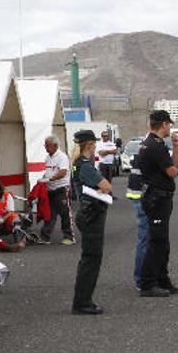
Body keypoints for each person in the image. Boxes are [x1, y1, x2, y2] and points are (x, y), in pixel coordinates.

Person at [136, 110, 178, 297]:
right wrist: (175, 169)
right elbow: (172, 170)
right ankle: (148, 283)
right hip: (157, 198)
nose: (169, 127)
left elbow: (172, 165)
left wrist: (176, 147)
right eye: (168, 124)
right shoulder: (155, 145)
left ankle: (163, 279)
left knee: (162, 242)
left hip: (158, 196)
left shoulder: (153, 144)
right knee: (157, 242)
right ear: (163, 124)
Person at [70, 130, 112, 314]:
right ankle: (82, 303)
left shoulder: (78, 163)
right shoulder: (85, 165)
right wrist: (104, 190)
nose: (96, 146)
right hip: (91, 215)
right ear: (89, 145)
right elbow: (106, 186)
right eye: (94, 143)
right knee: (91, 260)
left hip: (86, 213)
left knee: (89, 259)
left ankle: (83, 300)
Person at [40, 135, 75, 245]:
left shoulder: (62, 157)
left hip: (62, 189)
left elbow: (63, 172)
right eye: (45, 145)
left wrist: (49, 178)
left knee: (65, 213)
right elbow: (47, 172)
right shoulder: (47, 157)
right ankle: (45, 237)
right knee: (49, 214)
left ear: (55, 146)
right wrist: (42, 179)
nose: (45, 148)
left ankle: (69, 237)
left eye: (47, 146)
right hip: (50, 189)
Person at [125, 147, 148, 291]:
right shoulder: (148, 157)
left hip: (136, 198)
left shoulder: (139, 157)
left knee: (144, 241)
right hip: (142, 200)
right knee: (145, 241)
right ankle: (141, 280)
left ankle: (142, 278)